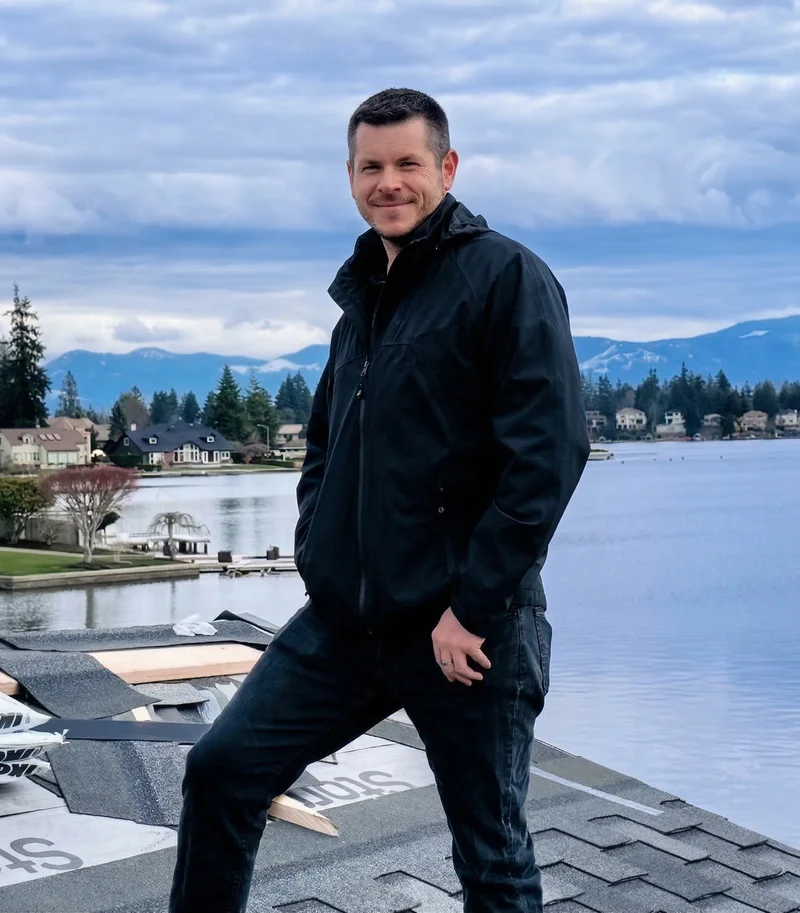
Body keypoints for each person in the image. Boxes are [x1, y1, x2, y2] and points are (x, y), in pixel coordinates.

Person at [169, 87, 590, 913]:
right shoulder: (362, 294)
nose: (389, 182)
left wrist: (471, 607)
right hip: (346, 620)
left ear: (447, 167)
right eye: (371, 166)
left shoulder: (506, 277)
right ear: (351, 176)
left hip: (464, 629)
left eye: (408, 164)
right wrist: (320, 547)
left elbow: (548, 457)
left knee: (491, 850)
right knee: (220, 772)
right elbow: (325, 443)